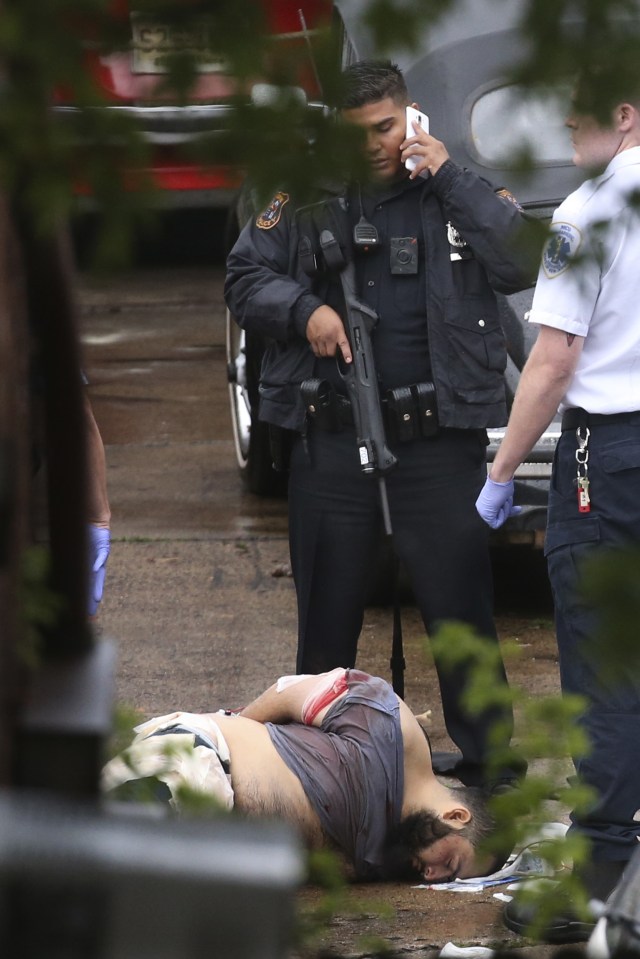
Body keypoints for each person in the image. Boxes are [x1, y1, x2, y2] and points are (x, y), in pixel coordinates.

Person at [224, 59, 535, 791]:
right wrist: (306, 312)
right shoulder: (303, 197)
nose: (373, 144)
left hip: (437, 443)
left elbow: (522, 256)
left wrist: (451, 175)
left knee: (460, 615)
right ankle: (312, 773)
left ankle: (493, 773)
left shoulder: (452, 189)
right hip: (333, 443)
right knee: (326, 619)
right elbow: (244, 276)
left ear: (412, 118)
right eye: (357, 130)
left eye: (387, 127)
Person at [475, 72, 640, 941]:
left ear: (625, 116)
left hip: (607, 459)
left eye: (581, 127)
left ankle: (605, 881)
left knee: (606, 666)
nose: (573, 143)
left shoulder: (588, 212)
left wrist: (503, 468)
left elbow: (552, 361)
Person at [102, 668, 505, 883]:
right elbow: (290, 690)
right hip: (197, 763)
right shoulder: (392, 729)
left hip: (216, 845)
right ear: (456, 817)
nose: (433, 878)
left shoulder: (394, 857)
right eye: (450, 865)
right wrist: (236, 723)